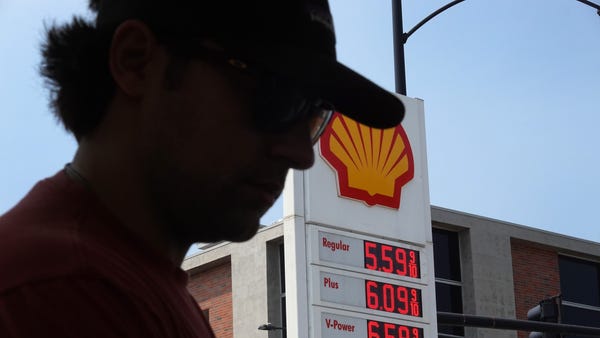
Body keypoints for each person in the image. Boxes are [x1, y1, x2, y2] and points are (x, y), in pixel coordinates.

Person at [0, 0, 405, 336]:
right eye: (277, 97)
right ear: (136, 61)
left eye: (315, 117)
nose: (302, 154)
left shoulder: (136, 289)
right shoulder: (61, 293)